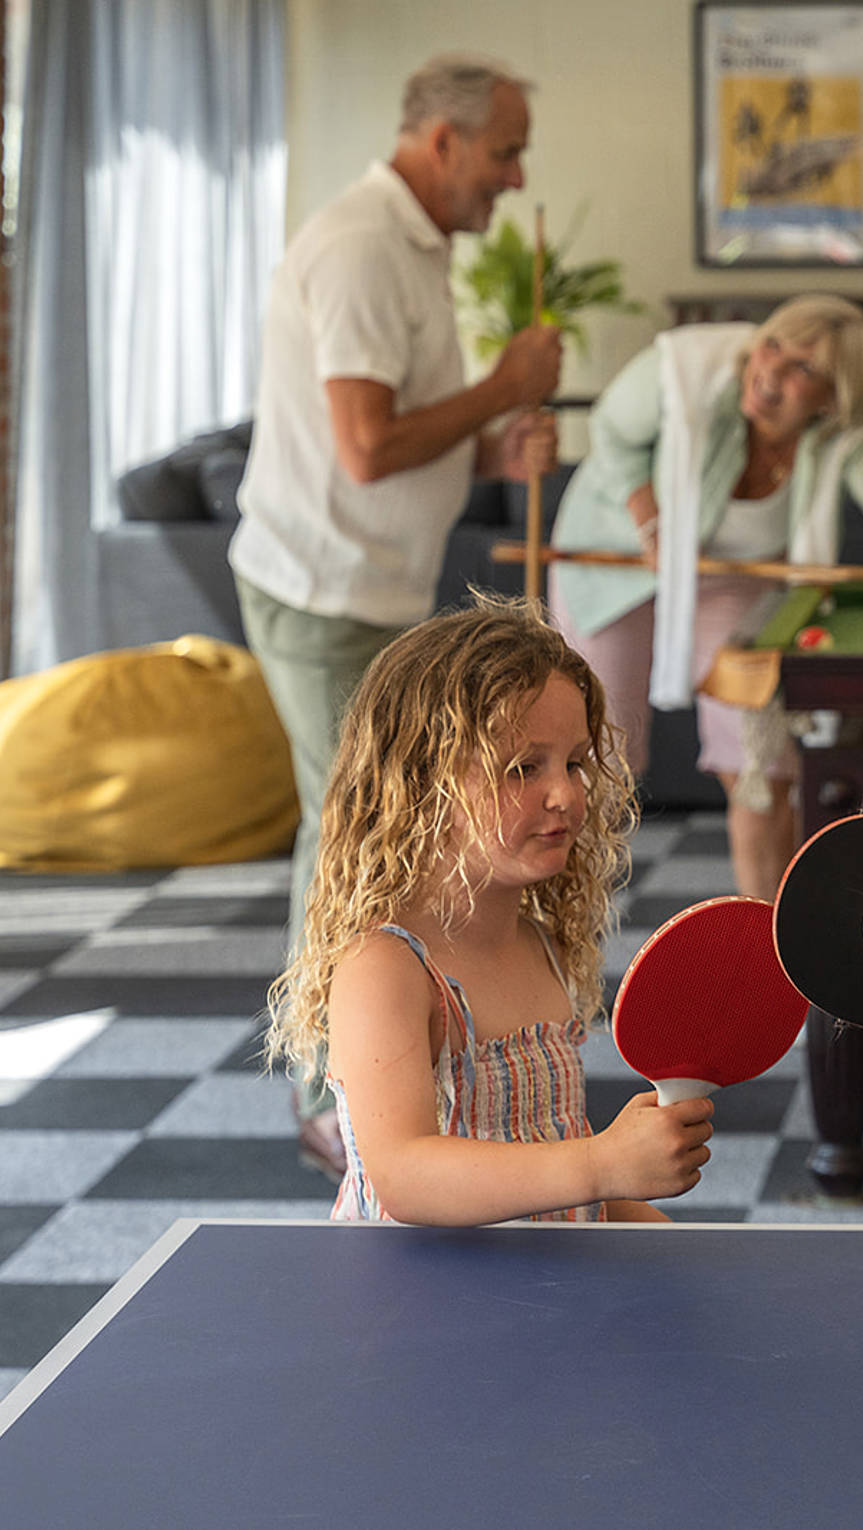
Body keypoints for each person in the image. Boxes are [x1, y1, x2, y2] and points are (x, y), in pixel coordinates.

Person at [231, 53, 564, 1176]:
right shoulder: (368, 245)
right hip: (325, 596)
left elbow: (402, 433)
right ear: (442, 144)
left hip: (375, 594)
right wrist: (505, 389)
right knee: (357, 834)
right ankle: (338, 1099)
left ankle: (374, 1074)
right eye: (505, 151)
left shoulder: (417, 247)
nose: (514, 178)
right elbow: (366, 448)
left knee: (377, 828)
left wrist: (488, 442)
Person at [546, 295, 863, 901]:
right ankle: (561, 926)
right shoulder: (684, 369)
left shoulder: (854, 431)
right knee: (599, 760)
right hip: (611, 562)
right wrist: (652, 523)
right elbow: (610, 429)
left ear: (834, 398)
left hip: (731, 578)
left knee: (762, 765)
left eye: (803, 370)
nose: (770, 374)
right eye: (773, 347)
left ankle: (773, 952)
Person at [262, 596, 713, 1225]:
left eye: (576, 763)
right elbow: (405, 1176)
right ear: (424, 782)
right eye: (523, 767)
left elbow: (549, 1158)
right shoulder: (385, 967)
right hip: (423, 1307)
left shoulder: (538, 943)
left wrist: (639, 1212)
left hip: (542, 1292)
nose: (565, 793)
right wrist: (602, 1162)